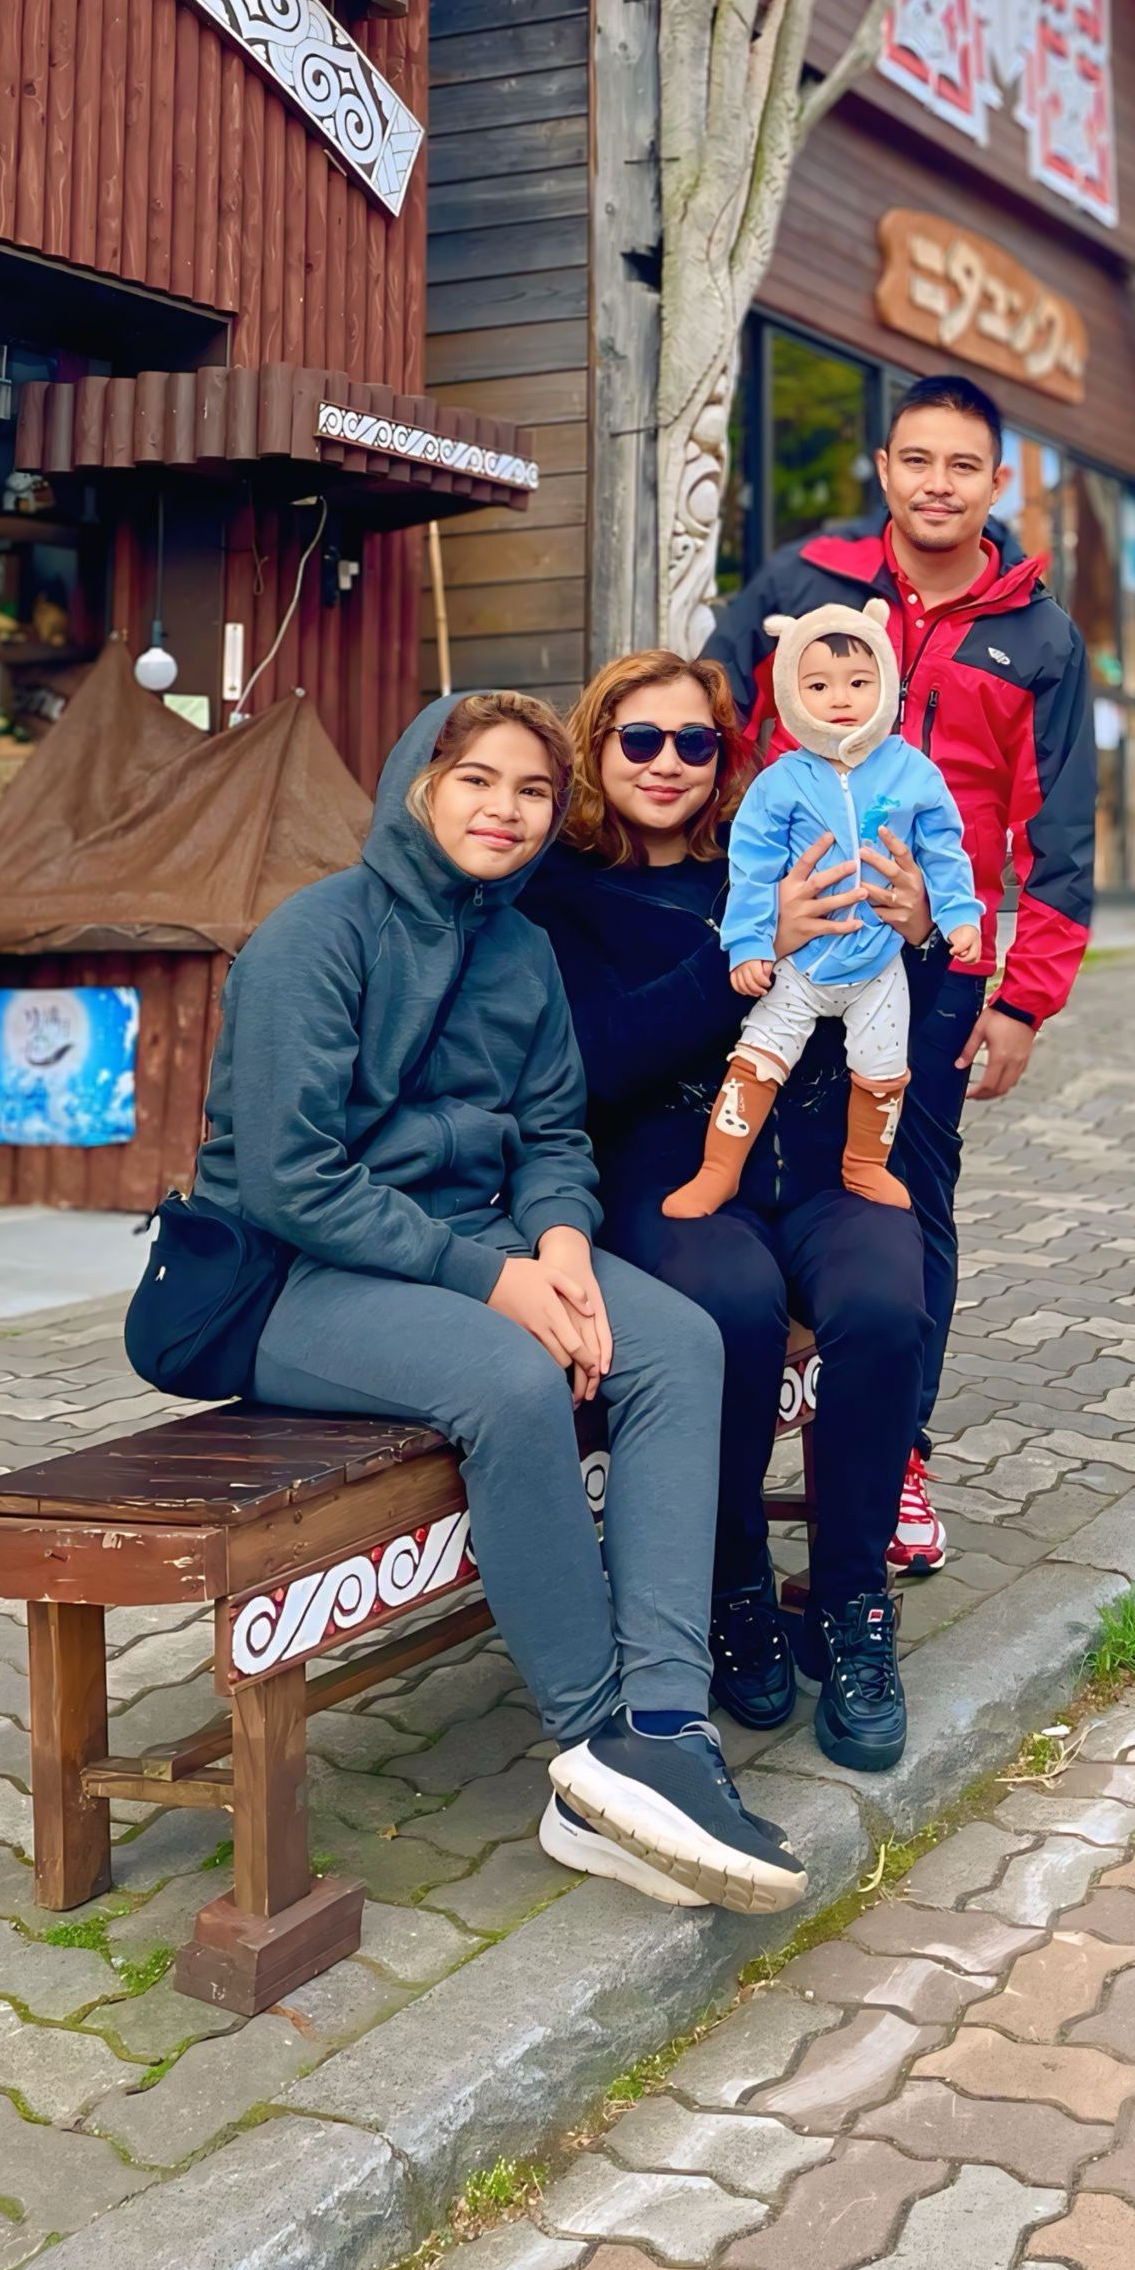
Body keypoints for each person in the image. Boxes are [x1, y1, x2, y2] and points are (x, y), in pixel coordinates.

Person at [182, 691, 804, 1919]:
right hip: (293, 1278)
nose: (506, 811)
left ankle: (667, 1725)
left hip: (479, 1248)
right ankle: (591, 1754)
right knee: (511, 1378)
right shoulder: (317, 937)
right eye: (476, 781)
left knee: (674, 1341)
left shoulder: (520, 949)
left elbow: (552, 1131)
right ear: (420, 784)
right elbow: (293, 1179)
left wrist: (564, 1241)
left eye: (531, 792)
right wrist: (502, 1281)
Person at [714, 370, 1095, 1579]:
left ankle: (898, 1451)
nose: (938, 484)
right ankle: (710, 1439)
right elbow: (707, 734)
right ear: (884, 470)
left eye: (963, 466)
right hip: (779, 949)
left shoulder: (1038, 637)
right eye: (916, 460)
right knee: (732, 1165)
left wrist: (1025, 997)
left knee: (904, 1199)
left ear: (997, 483)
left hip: (931, 971)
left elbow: (1060, 839)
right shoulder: (805, 586)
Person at [520, 648, 926, 1773]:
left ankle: (852, 1603)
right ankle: (733, 1575)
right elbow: (591, 1064)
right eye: (637, 739)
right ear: (598, 750)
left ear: (725, 754)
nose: (666, 763)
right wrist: (748, 950)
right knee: (732, 1308)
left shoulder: (774, 856)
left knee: (891, 1301)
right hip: (665, 1184)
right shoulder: (558, 895)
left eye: (693, 742)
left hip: (811, 1171)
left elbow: (886, 994)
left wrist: (924, 928)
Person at [668, 601, 981, 1217]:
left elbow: (943, 848)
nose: (840, 698)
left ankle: (865, 1167)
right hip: (800, 964)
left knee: (884, 1067)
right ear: (790, 690)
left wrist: (959, 915)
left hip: (879, 963)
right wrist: (751, 944)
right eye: (817, 685)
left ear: (887, 682)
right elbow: (753, 868)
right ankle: (719, 1169)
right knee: (758, 1056)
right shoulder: (782, 780)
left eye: (860, 683)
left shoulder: (912, 770)